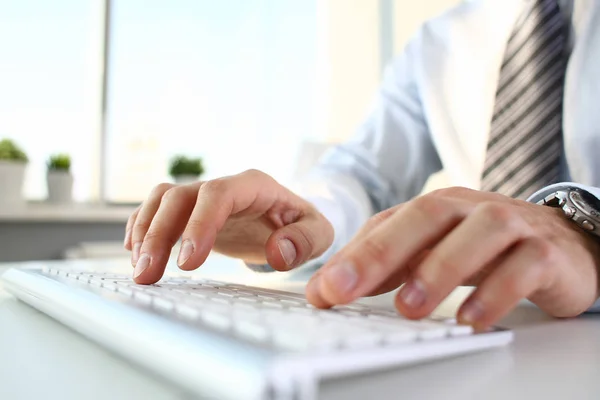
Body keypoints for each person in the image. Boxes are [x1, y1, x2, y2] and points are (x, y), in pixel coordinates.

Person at [123, 0, 600, 330]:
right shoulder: (442, 40)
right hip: (489, 340)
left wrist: (590, 234)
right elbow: (363, 175)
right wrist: (299, 221)